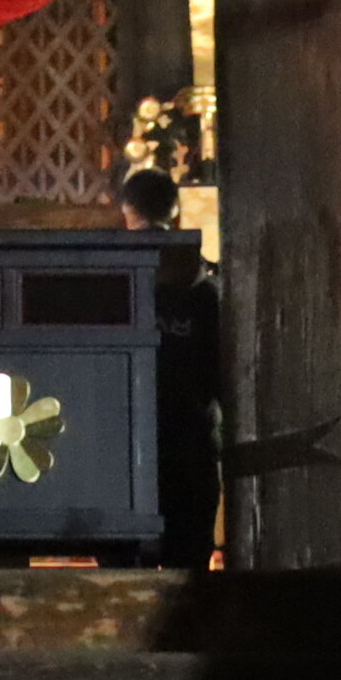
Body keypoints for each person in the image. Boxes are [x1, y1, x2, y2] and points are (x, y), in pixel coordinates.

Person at [119, 169, 223, 568]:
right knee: (189, 567)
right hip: (191, 446)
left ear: (127, 210)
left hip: (125, 452)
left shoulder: (112, 281)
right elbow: (220, 375)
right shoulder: (204, 291)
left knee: (126, 578)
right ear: (176, 210)